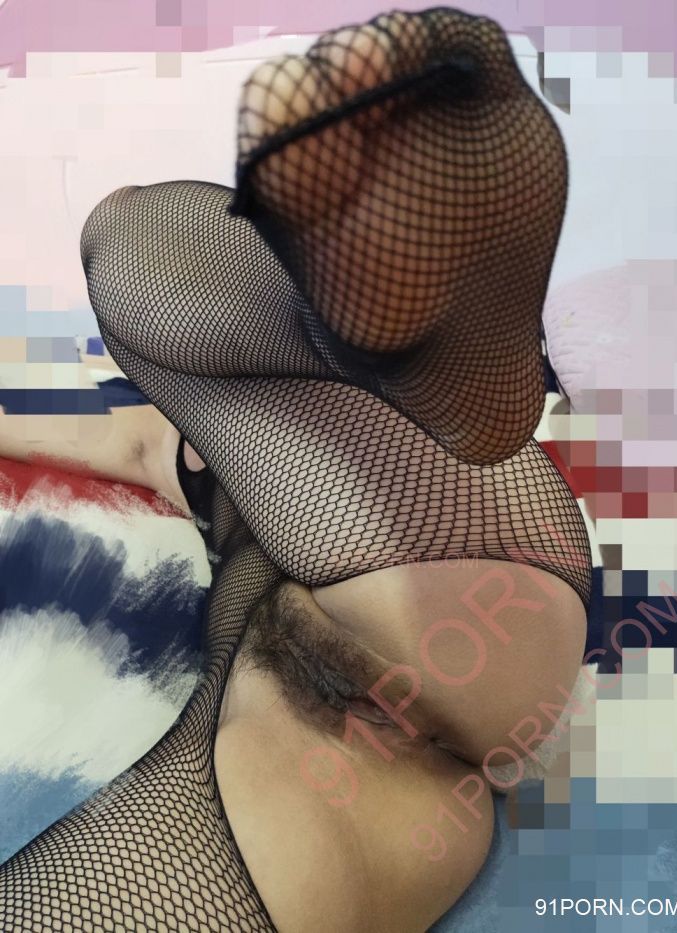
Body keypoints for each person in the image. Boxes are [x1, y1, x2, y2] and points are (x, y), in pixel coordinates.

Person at [0, 8, 591, 932]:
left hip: (396, 590)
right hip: (441, 617)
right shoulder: (193, 416)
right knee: (128, 250)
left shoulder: (208, 405)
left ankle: (384, 350)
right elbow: (109, 440)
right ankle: (383, 350)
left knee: (130, 249)